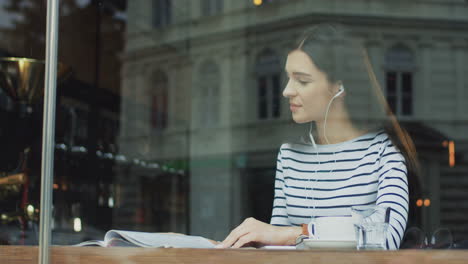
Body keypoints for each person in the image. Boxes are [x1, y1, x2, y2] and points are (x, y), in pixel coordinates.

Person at [216, 24, 418, 250]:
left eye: (302, 80)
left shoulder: (383, 151)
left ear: (339, 87)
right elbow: (276, 246)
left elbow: (385, 237)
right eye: (288, 78)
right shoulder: (289, 154)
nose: (286, 91)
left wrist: (297, 233)